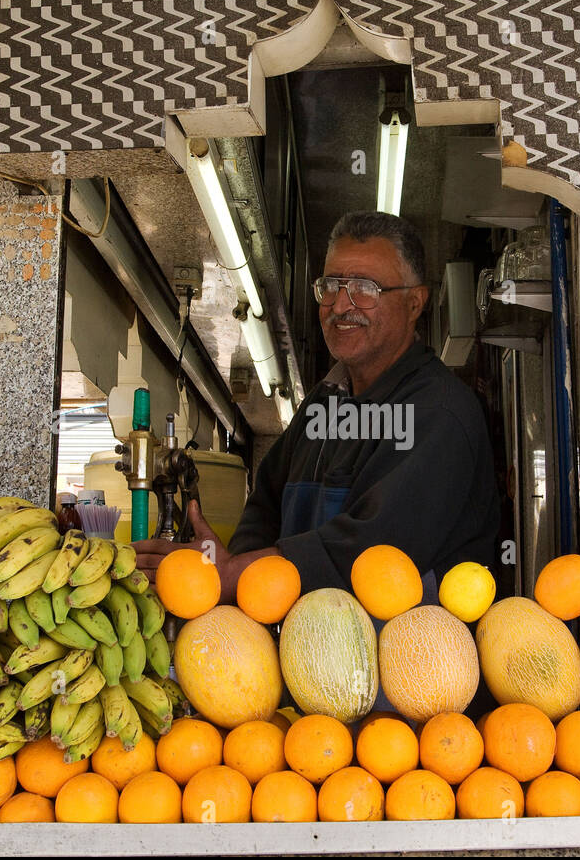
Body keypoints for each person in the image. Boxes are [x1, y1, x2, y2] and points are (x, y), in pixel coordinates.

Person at [134, 210, 500, 602]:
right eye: (330, 286)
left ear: (414, 303)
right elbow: (265, 505)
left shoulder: (439, 414)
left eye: (364, 287)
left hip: (407, 659)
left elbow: (372, 554)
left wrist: (236, 573)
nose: (340, 306)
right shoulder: (322, 405)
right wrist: (235, 572)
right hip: (306, 650)